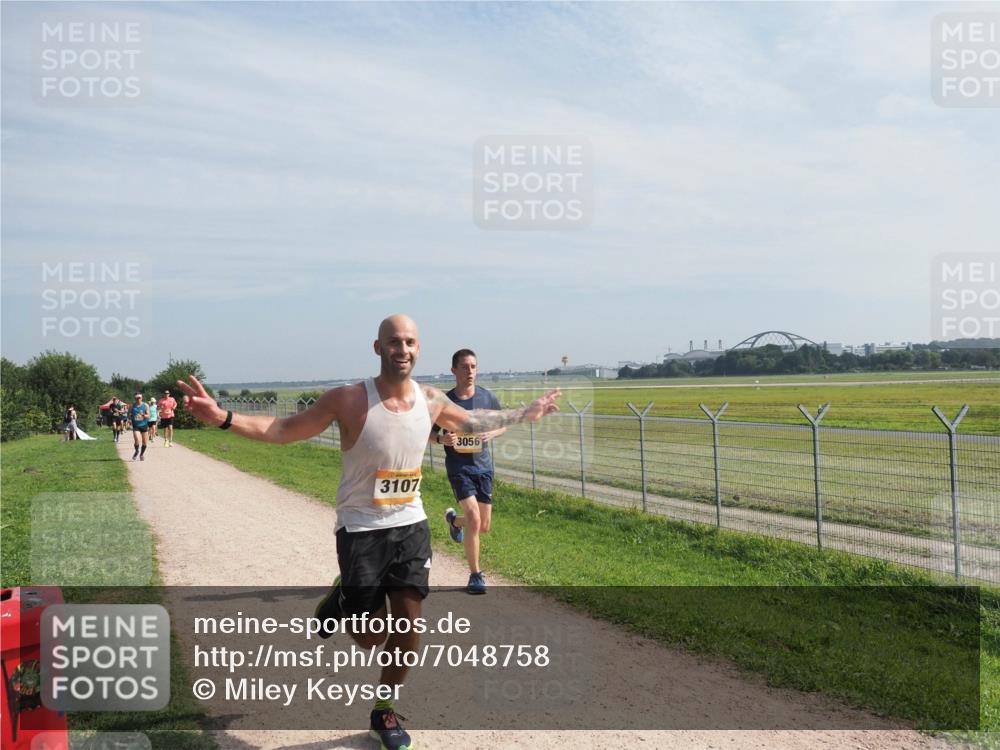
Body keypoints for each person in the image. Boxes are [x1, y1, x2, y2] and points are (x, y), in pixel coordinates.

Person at [177, 314, 560, 750]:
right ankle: (343, 598)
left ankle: (384, 709)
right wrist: (224, 417)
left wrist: (523, 414)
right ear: (378, 348)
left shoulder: (431, 400)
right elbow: (283, 429)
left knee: (410, 626)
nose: (403, 349)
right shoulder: (348, 399)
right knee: (369, 636)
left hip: (410, 523)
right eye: (394, 342)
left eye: (410, 342)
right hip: (360, 528)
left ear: (419, 348)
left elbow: (472, 423)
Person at [431, 349, 505, 595]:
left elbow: (501, 425)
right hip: (458, 468)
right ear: (454, 370)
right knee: (474, 518)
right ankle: (475, 575)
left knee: (482, 526)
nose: (470, 371)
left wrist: (490, 434)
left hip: (483, 467)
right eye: (464, 367)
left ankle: (454, 521)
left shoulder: (487, 397)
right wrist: (443, 439)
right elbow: (426, 432)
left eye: (473, 366)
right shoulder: (443, 402)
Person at [129, 393, 151, 461]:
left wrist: (143, 415)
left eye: (139, 398)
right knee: (137, 440)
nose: (138, 399)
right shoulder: (132, 406)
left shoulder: (145, 405)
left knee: (145, 442)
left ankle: (141, 454)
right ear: (135, 398)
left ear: (142, 398)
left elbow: (148, 416)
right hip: (136, 425)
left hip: (144, 425)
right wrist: (130, 416)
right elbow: (129, 414)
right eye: (137, 398)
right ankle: (136, 451)